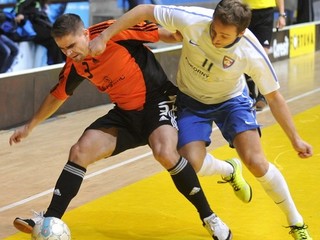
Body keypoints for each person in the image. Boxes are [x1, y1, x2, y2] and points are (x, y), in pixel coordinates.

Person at [10, 13, 252, 240]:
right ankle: (51, 220)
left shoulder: (114, 33)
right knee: (79, 151)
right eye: (63, 49)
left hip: (158, 101)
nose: (69, 54)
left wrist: (202, 39)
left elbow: (166, 34)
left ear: (85, 33)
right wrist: (30, 126)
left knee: (165, 153)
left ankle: (209, 217)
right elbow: (57, 95)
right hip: (125, 114)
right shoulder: (77, 64)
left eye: (72, 46)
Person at [88, 1, 314, 239]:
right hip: (191, 100)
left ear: (241, 33)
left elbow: (275, 97)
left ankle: (296, 222)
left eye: (224, 36)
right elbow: (144, 10)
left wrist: (295, 139)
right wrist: (104, 36)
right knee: (190, 163)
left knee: (256, 162)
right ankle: (229, 169)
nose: (215, 39)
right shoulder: (193, 19)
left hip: (231, 101)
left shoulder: (250, 51)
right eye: (213, 30)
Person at [243, 0, 286, 111]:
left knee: (262, 56)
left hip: (266, 12)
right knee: (247, 55)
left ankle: (263, 94)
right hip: (246, 11)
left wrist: (282, 14)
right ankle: (252, 94)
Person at [14, 0, 64, 64]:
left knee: (57, 37)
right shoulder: (28, 4)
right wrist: (19, 14)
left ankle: (59, 62)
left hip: (40, 26)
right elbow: (19, 6)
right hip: (32, 29)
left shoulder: (40, 5)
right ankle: (57, 64)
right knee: (53, 38)